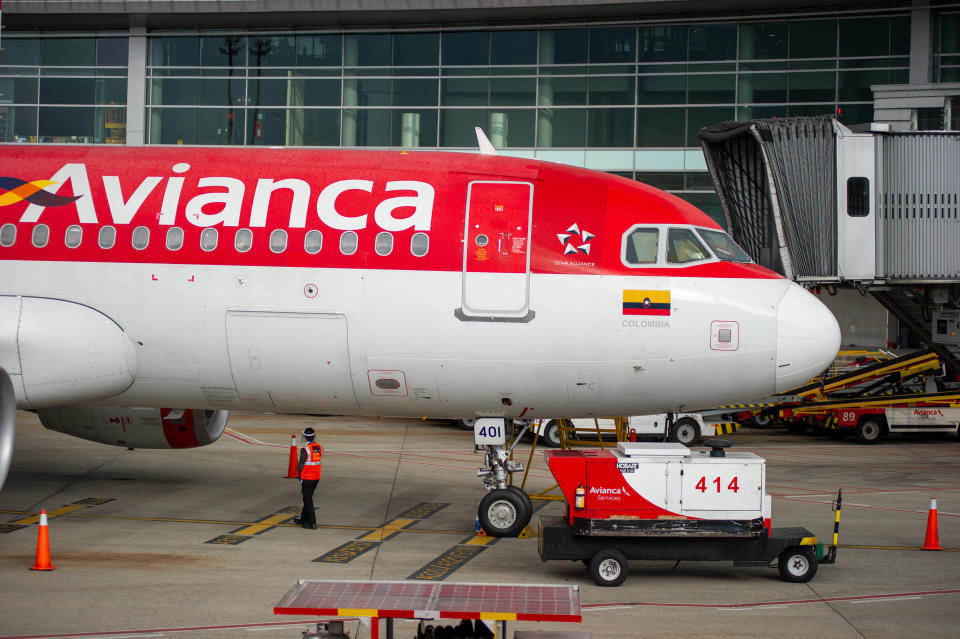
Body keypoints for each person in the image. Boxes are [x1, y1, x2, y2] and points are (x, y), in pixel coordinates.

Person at [294, 427, 322, 529]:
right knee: (307, 498)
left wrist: (299, 476)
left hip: (307, 478)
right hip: (316, 477)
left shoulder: (305, 449)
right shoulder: (319, 447)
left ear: (305, 437)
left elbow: (300, 465)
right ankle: (303, 519)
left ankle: (312, 523)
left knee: (308, 500)